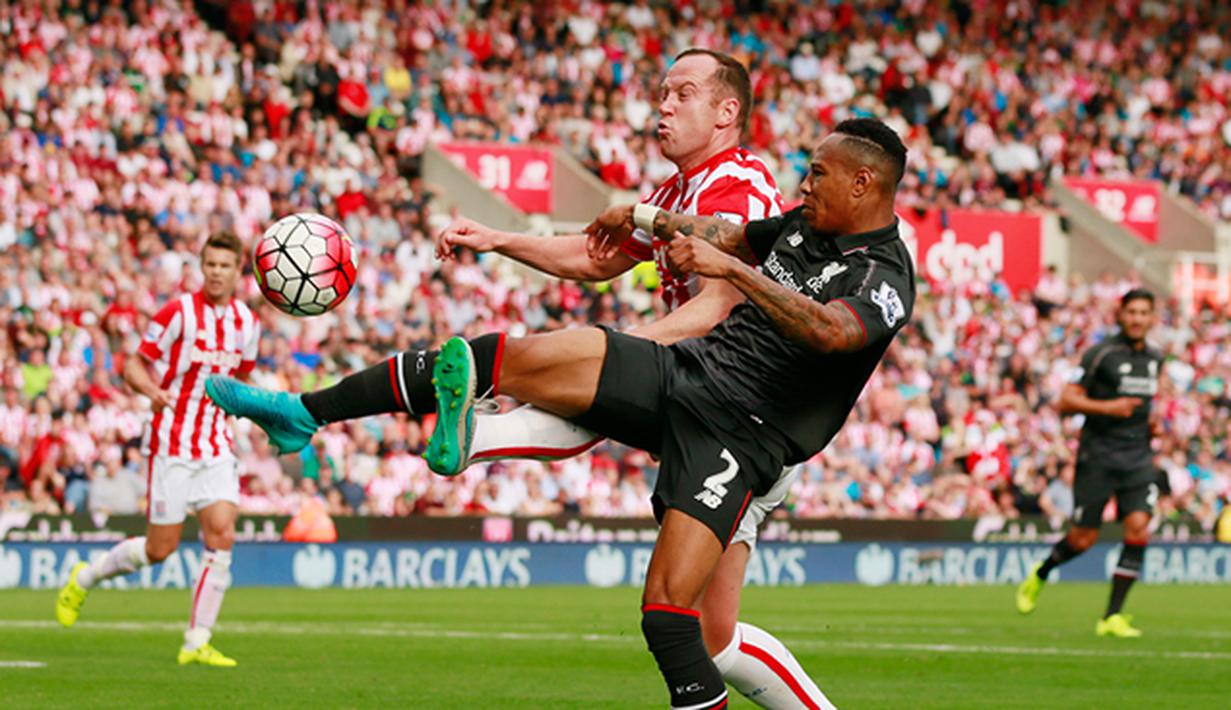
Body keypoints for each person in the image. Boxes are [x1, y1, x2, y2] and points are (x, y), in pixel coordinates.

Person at [209, 117, 913, 708]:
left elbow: (829, 331)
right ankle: (306, 412)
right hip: (687, 375)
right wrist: (641, 216)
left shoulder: (883, 276)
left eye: (817, 173)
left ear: (862, 182)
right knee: (496, 356)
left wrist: (732, 273)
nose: (803, 183)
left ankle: (476, 434)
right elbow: (729, 236)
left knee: (674, 621)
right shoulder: (800, 226)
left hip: (742, 435)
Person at [433, 48, 822, 708]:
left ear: (727, 112)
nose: (662, 106)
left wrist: (626, 351)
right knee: (715, 640)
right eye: (661, 93)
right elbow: (594, 254)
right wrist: (499, 239)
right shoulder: (676, 193)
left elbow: (719, 304)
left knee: (605, 378)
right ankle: (478, 436)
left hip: (746, 417)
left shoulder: (740, 189)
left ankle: (476, 438)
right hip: (710, 407)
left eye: (682, 94)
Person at [56, 232, 260, 668]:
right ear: (201, 266)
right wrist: (152, 390)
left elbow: (242, 383)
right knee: (159, 549)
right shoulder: (178, 313)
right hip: (173, 440)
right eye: (211, 264)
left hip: (215, 442)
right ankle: (86, 576)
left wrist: (264, 418)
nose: (217, 272)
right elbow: (133, 364)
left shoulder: (247, 323)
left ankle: (197, 639)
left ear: (238, 270)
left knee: (222, 531)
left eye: (225, 265)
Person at [1015, 289, 1162, 638]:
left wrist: (1150, 424)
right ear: (1121, 315)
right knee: (1083, 539)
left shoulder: (1156, 358)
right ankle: (1042, 571)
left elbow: (1142, 403)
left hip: (1138, 456)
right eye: (1132, 312)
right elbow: (1066, 400)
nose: (1138, 319)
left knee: (1139, 527)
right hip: (1099, 455)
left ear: (1152, 318)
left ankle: (1112, 616)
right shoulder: (1101, 354)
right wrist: (1109, 408)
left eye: (1144, 312)